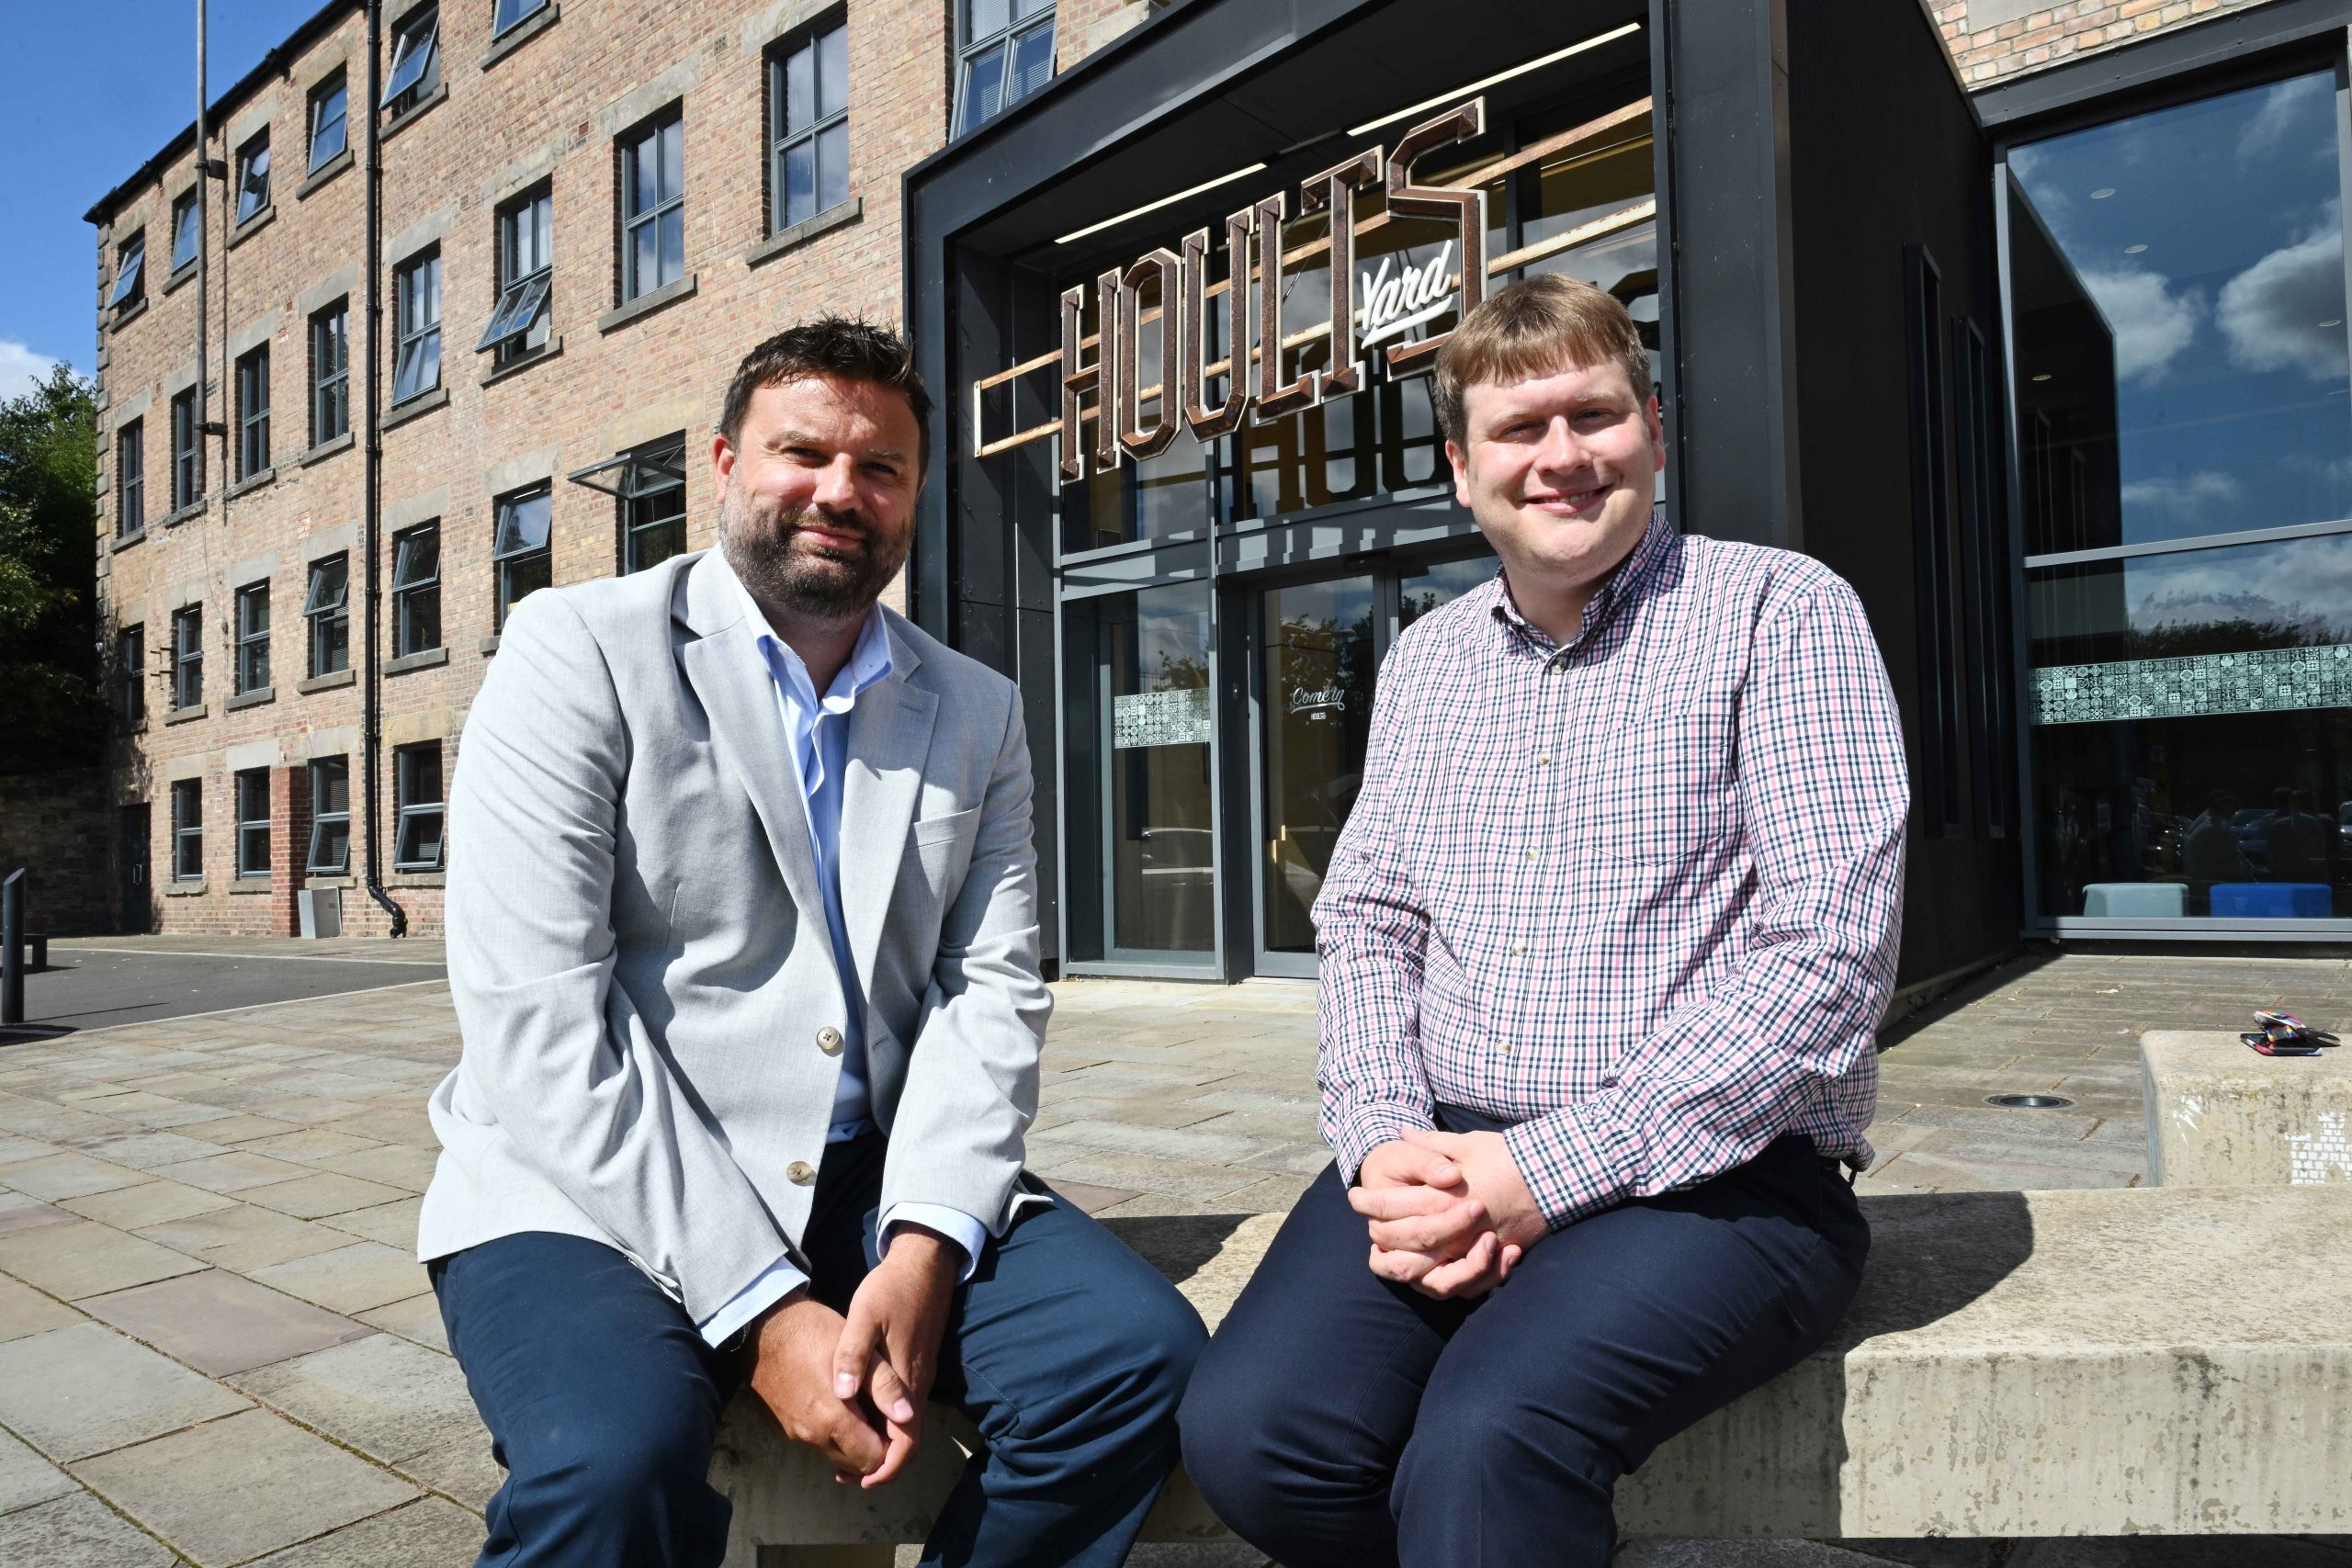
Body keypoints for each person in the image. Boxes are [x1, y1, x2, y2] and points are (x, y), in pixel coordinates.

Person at [418, 319, 1204, 1568]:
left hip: (871, 1166)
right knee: (607, 1467)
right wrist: (763, 1310)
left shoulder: (979, 706)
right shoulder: (575, 652)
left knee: (1132, 1364)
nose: (841, 491)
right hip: (588, 1184)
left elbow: (987, 988)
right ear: (725, 463)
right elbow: (540, 1021)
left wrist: (931, 1235)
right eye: (803, 453)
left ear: (913, 498)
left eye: (880, 468)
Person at [1178, 274, 1910, 1567]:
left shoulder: (1781, 611)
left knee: (1489, 1446)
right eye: (1520, 430)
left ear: (1656, 434)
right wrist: (1382, 1143)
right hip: (1449, 1144)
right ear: (1463, 470)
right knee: (1255, 1432)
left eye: (1596, 414)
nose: (1562, 456)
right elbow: (1370, 919)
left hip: (1728, 1176)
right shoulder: (1427, 657)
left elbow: (1828, 951)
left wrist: (1543, 1174)